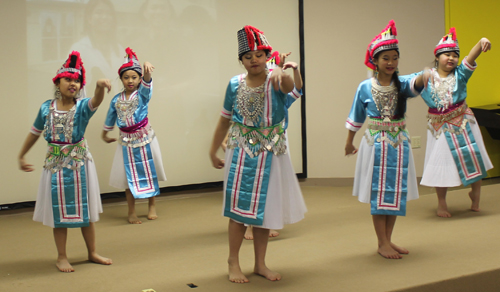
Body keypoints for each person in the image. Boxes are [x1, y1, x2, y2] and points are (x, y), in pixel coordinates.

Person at [210, 26, 306, 283]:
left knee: (265, 209)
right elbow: (223, 121)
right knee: (238, 211)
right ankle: (233, 261)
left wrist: (284, 70)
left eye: (259, 55)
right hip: (241, 154)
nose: (254, 60)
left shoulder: (277, 79)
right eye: (248, 56)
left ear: (267, 56)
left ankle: (260, 263)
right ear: (241, 60)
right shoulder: (234, 84)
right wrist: (212, 150)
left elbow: (292, 86)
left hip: (271, 153)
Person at [18, 51, 113, 272]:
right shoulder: (45, 108)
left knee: (85, 211)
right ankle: (61, 256)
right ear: (57, 82)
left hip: (80, 164)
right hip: (54, 167)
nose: (73, 83)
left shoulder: (82, 108)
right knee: (59, 213)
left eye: (77, 80)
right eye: (68, 79)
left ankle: (92, 252)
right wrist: (21, 155)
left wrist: (99, 85)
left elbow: (97, 100)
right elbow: (34, 133)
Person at [344, 20, 428, 259]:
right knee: (379, 192)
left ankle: (388, 240)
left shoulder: (401, 84)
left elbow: (416, 82)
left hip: (399, 143)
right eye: (385, 58)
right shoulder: (365, 87)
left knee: (395, 192)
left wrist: (427, 73)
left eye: (394, 58)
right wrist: (349, 141)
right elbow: (355, 116)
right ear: (375, 61)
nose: (391, 63)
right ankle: (381, 242)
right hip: (375, 145)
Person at [419, 28, 493, 217]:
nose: (451, 58)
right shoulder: (426, 77)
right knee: (440, 162)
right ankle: (442, 202)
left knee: (473, 157)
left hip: (464, 122)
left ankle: (475, 194)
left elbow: (470, 58)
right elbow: (406, 84)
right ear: (437, 56)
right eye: (447, 54)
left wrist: (481, 40)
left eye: (454, 55)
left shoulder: (460, 75)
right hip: (439, 126)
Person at [102, 48, 166, 224]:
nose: (130, 80)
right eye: (126, 77)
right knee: (128, 176)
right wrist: (104, 134)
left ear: (139, 79)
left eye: (134, 77)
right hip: (126, 142)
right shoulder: (116, 99)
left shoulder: (142, 95)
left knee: (149, 171)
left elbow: (147, 83)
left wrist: (146, 71)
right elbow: (110, 117)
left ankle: (151, 205)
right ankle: (131, 211)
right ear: (121, 79)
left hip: (145, 138)